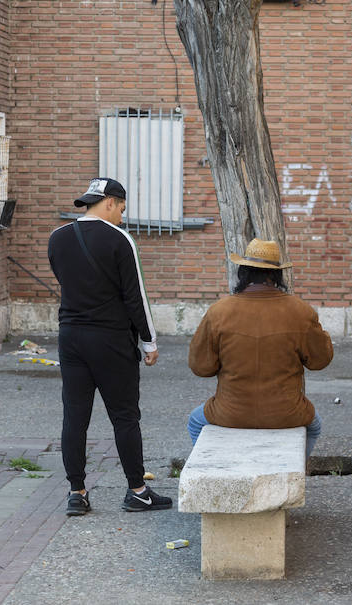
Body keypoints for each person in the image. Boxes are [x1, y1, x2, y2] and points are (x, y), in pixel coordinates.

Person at [47, 177, 171, 516]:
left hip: (70, 337)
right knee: (125, 416)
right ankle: (137, 490)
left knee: (75, 416)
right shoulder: (120, 240)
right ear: (111, 202)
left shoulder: (58, 238)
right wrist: (149, 342)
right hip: (111, 340)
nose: (122, 217)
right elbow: (136, 297)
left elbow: (65, 279)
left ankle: (77, 492)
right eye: (122, 209)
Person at [187, 238, 333, 457]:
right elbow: (320, 361)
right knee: (315, 425)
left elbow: (201, 368)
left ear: (243, 273)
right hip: (287, 414)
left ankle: (219, 468)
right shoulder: (301, 312)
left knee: (195, 422)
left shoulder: (219, 311)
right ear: (276, 275)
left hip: (230, 413)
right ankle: (294, 474)